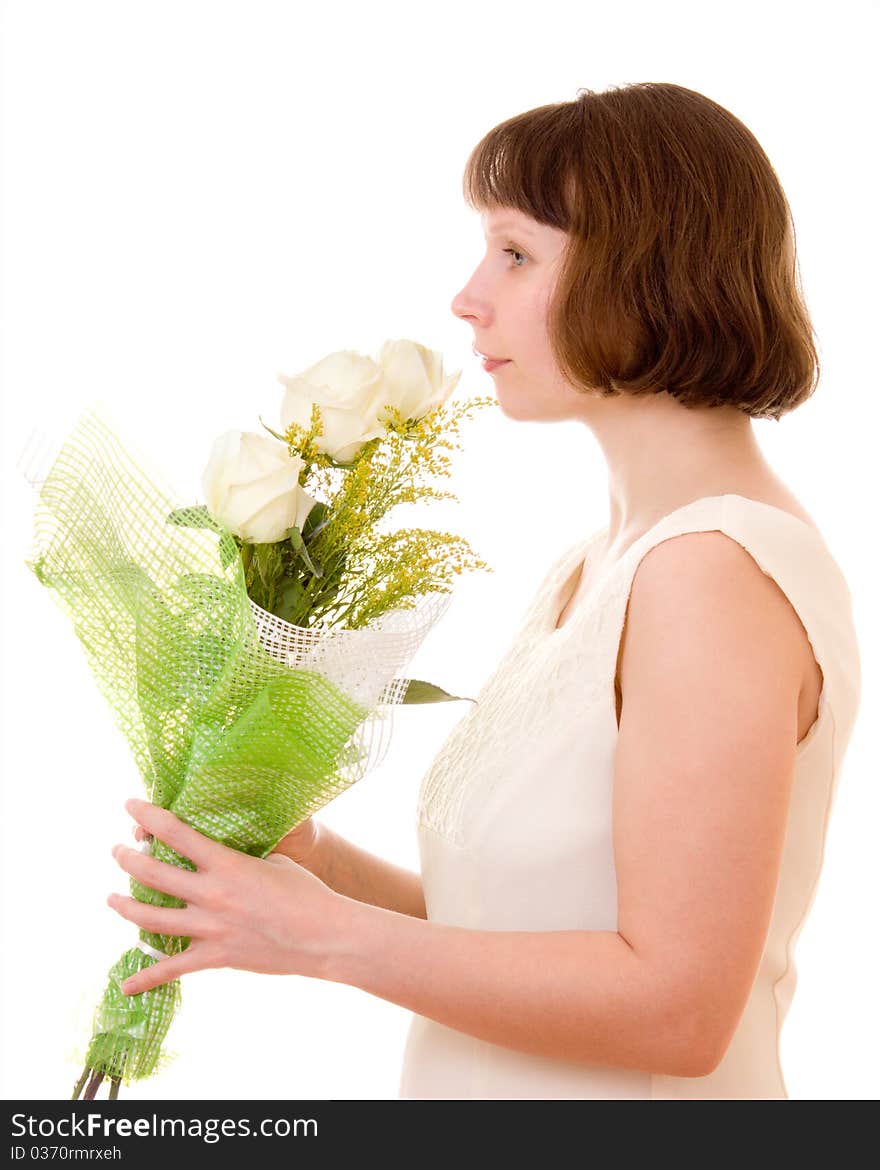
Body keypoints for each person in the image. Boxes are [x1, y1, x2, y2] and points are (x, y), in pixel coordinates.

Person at [109, 82, 862, 1099]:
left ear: (643, 271)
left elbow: (676, 1010)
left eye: (514, 252)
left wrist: (321, 938)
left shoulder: (713, 574)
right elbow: (523, 933)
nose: (469, 295)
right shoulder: (598, 565)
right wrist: (320, 867)